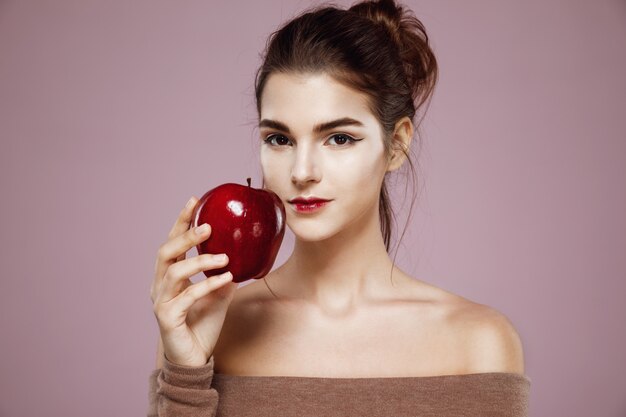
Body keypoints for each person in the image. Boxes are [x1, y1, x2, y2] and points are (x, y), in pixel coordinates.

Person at [147, 0, 530, 415]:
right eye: (280, 139)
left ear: (397, 144)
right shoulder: (213, 329)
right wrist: (185, 375)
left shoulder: (479, 343)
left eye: (339, 138)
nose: (302, 171)